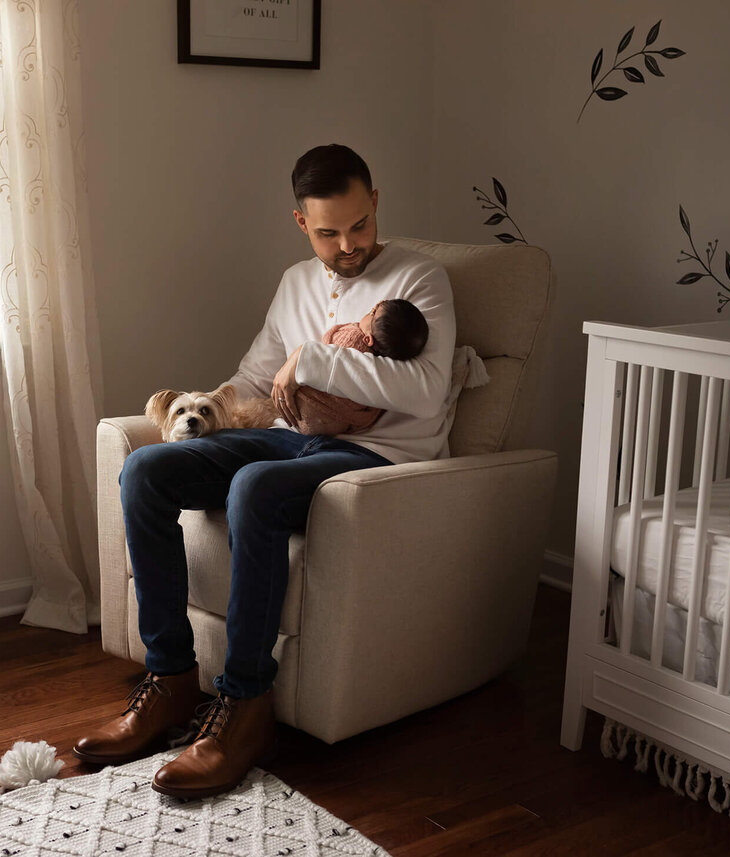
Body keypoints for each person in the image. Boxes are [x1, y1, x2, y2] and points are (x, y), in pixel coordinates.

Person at [74, 144, 455, 799]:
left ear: (375, 204)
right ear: (302, 223)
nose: (349, 245)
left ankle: (245, 708)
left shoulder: (420, 279)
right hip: (287, 438)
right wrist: (204, 411)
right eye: (330, 232)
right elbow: (256, 375)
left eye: (360, 225)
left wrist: (311, 359)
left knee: (253, 487)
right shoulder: (295, 282)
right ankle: (169, 682)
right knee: (148, 472)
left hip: (379, 456)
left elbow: (425, 389)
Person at [290, 298, 429, 435]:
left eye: (372, 313)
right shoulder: (381, 368)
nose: (373, 308)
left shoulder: (354, 338)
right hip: (337, 424)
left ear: (368, 339)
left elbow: (326, 346)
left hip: (310, 408)